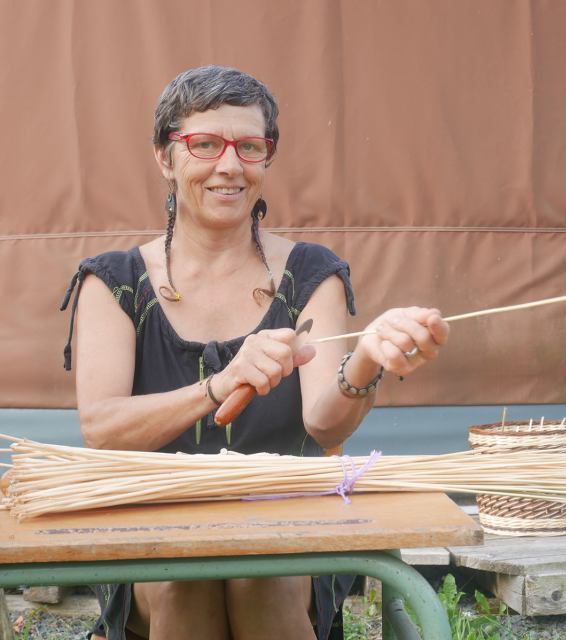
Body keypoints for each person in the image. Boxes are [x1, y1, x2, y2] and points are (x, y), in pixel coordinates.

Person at [61, 65, 449, 640]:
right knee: (184, 580)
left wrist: (365, 359)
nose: (230, 166)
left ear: (267, 159)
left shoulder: (310, 274)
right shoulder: (115, 283)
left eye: (249, 146)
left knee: (261, 580)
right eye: (205, 144)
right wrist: (218, 384)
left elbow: (323, 425)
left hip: (291, 526)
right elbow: (101, 427)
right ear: (166, 157)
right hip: (151, 533)